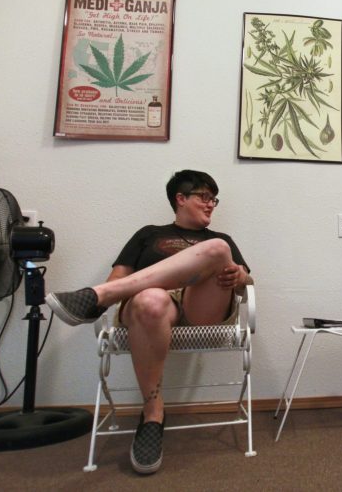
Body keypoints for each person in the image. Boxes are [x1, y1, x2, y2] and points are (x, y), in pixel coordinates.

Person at [46, 169, 252, 474]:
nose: (211, 204)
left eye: (214, 199)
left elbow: (246, 283)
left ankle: (97, 298)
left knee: (219, 250)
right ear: (180, 198)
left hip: (201, 311)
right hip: (149, 310)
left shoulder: (219, 239)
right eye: (204, 197)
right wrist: (146, 288)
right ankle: (153, 413)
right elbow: (118, 277)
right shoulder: (149, 234)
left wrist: (240, 276)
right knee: (151, 299)